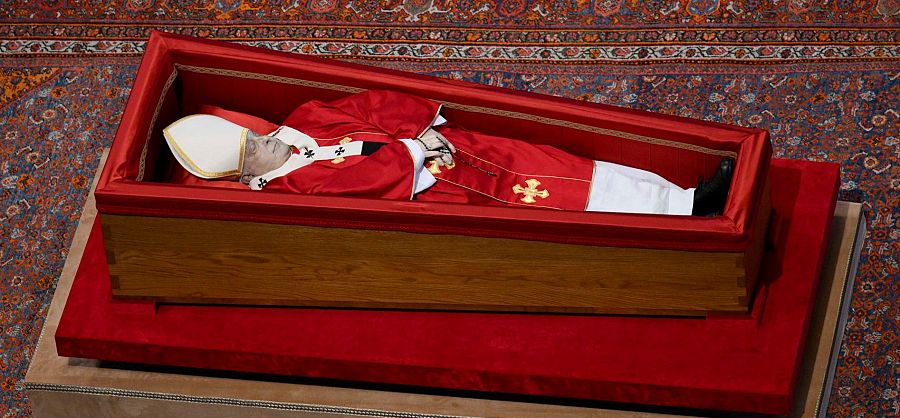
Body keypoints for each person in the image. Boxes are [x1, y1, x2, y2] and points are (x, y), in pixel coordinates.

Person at [163, 90, 734, 216]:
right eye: (259, 147)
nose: (270, 138)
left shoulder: (303, 121)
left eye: (258, 132)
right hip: (450, 194)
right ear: (248, 174)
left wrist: (421, 127)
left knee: (569, 167)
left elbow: (369, 108)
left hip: (464, 151)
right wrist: (414, 150)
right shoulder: (294, 191)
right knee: (564, 205)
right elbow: (364, 188)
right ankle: (684, 220)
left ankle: (682, 196)